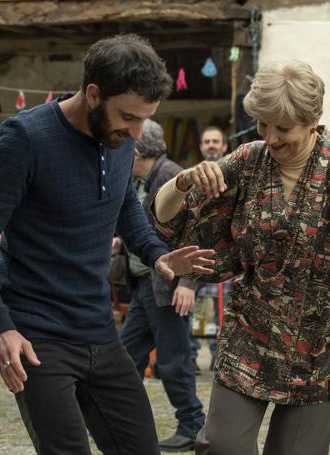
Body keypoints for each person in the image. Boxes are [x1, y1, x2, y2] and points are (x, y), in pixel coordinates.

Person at [153, 60, 330, 454]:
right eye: (263, 125)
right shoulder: (249, 162)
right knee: (221, 445)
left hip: (322, 347)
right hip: (251, 336)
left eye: (283, 128)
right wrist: (182, 181)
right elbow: (169, 220)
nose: (271, 137)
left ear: (312, 121)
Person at [0, 34, 215, 455]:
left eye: (143, 122)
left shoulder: (121, 138)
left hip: (98, 331)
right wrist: (0, 327)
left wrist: (155, 253)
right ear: (93, 94)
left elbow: (124, 203)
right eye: (127, 118)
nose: (134, 132)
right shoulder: (24, 139)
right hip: (37, 337)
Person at [118, 118, 205, 452]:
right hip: (146, 286)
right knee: (127, 356)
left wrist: (188, 282)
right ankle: (122, 419)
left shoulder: (171, 176)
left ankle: (193, 425)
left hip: (168, 288)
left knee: (172, 361)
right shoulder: (143, 179)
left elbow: (198, 230)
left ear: (138, 149)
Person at [188, 126, 231, 372]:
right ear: (202, 146)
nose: (212, 145)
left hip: (224, 253)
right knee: (198, 309)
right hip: (197, 251)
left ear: (224, 146)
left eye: (216, 141)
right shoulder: (192, 176)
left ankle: (219, 355)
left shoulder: (234, 170)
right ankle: (193, 356)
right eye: (207, 141)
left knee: (224, 309)